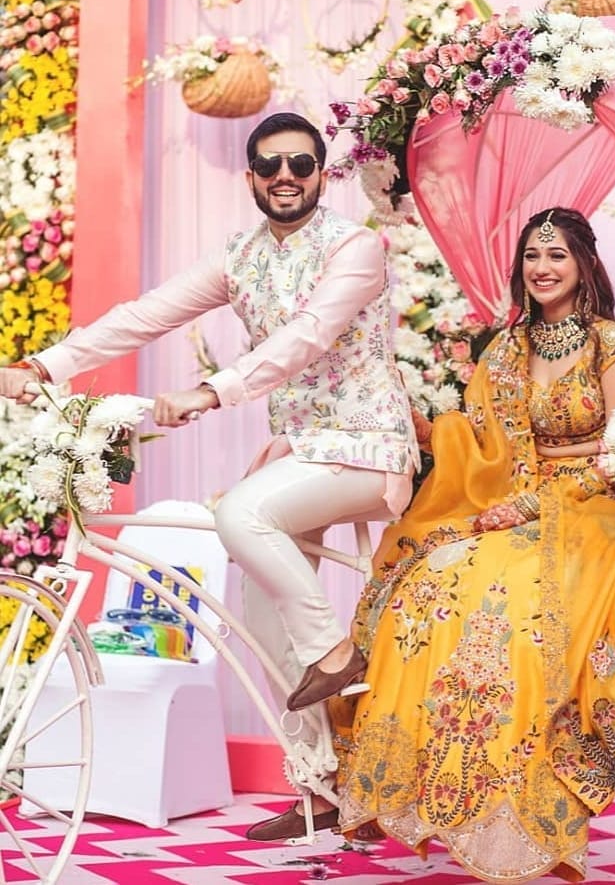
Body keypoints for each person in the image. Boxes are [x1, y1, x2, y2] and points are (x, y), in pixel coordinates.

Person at [0, 111, 419, 841]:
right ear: (251, 177)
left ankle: (336, 650)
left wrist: (211, 391)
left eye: (300, 164)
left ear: (322, 172)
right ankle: (325, 786)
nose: (285, 176)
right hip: (300, 451)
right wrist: (45, 365)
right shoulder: (242, 255)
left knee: (240, 515)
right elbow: (145, 314)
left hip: (366, 447)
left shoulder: (355, 247)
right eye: (270, 166)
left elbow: (305, 337)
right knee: (261, 616)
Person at [330, 207, 615, 881]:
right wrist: (415, 423)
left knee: (515, 605)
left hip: (595, 505)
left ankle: (529, 814)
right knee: (433, 580)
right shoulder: (507, 348)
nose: (543, 268)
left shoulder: (607, 343)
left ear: (584, 262)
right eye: (532, 256)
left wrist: (541, 497)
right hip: (511, 503)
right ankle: (450, 799)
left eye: (556, 254)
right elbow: (480, 441)